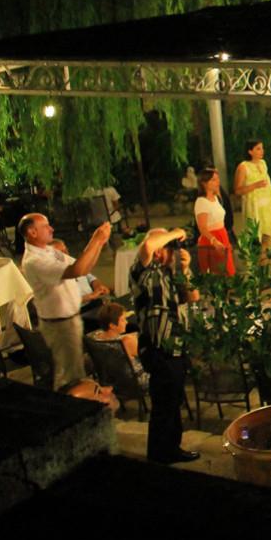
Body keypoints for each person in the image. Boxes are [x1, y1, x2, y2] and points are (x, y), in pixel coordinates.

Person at [18, 214, 114, 390]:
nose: (51, 229)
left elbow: (83, 268)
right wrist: (95, 240)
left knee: (74, 371)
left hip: (70, 319)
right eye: (46, 226)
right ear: (32, 232)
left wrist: (99, 243)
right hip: (60, 324)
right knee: (71, 377)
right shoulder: (35, 261)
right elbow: (76, 270)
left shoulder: (48, 250)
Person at [132, 227, 201, 464]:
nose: (167, 251)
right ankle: (159, 455)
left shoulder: (170, 274)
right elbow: (148, 246)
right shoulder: (143, 269)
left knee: (173, 401)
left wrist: (185, 268)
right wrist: (176, 232)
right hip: (157, 346)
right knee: (163, 404)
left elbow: (193, 297)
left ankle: (172, 448)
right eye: (166, 246)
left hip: (177, 344)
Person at [234, 139, 271, 250]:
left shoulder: (263, 163)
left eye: (262, 148)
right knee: (255, 235)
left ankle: (264, 258)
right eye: (258, 148)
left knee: (267, 234)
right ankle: (255, 260)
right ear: (250, 151)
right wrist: (255, 185)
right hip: (253, 206)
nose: (262, 151)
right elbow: (238, 190)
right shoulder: (243, 166)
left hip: (267, 206)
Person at [90, 302, 147, 382]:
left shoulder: (95, 338)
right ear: (112, 325)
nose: (126, 322)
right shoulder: (127, 341)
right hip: (136, 379)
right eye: (123, 320)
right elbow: (147, 358)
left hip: (113, 380)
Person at [194, 168, 234, 276]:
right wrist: (214, 241)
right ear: (204, 183)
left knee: (228, 273)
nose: (217, 182)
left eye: (217, 179)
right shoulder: (201, 202)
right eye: (213, 180)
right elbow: (202, 228)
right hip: (211, 239)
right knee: (218, 273)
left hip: (222, 235)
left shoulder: (216, 198)